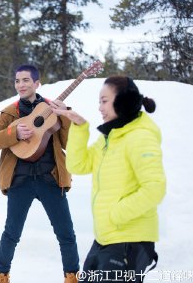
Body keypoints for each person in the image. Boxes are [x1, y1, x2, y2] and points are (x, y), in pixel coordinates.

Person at [53, 76, 166, 282]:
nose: (100, 107)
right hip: (106, 238)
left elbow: (155, 187)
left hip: (130, 240)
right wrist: (79, 127)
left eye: (104, 101)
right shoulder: (110, 136)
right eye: (99, 101)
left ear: (123, 101)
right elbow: (78, 165)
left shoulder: (140, 137)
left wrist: (116, 214)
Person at [0, 65, 80, 283]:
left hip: (51, 179)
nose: (21, 85)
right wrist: (12, 133)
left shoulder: (53, 108)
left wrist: (65, 117)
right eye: (17, 81)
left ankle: (72, 277)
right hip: (20, 181)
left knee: (66, 234)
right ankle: (1, 276)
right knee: (11, 234)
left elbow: (68, 144)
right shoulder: (10, 112)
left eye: (26, 80)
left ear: (37, 83)